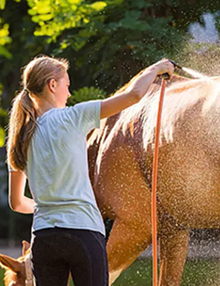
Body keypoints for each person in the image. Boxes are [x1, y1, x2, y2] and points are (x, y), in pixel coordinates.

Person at [6, 55, 174, 286]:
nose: (69, 93)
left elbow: (16, 203)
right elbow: (134, 96)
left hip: (44, 237)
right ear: (52, 85)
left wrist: (50, 205)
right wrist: (156, 68)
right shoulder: (73, 117)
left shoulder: (20, 137)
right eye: (67, 85)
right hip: (82, 232)